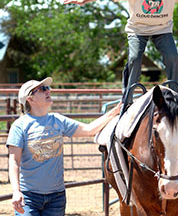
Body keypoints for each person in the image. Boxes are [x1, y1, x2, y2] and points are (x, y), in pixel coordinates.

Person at [6, 77, 121, 216]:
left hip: (56, 196)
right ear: (30, 98)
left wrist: (115, 111)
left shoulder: (58, 120)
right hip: (29, 197)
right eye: (42, 89)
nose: (49, 90)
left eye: (47, 88)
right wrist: (16, 191)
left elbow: (89, 129)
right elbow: (14, 161)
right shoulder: (19, 126)